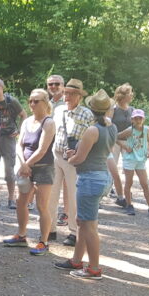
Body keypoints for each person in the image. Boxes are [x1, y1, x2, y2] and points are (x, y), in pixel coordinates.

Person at [54, 90, 116, 280]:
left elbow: (79, 159)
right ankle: (76, 260)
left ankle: (94, 268)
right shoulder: (111, 127)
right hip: (102, 176)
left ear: (91, 109)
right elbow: (97, 152)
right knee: (82, 221)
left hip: (90, 179)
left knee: (89, 226)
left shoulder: (92, 130)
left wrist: (69, 157)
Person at [4, 88, 56, 255]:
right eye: (30, 101)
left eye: (36, 101)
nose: (32, 104)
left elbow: (42, 149)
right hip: (25, 168)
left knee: (42, 205)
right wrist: (23, 165)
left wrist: (26, 164)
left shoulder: (48, 123)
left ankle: (44, 241)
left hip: (44, 168)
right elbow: (19, 145)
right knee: (21, 201)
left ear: (45, 103)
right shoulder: (27, 122)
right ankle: (21, 235)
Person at [48, 78, 93, 247]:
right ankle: (50, 228)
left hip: (73, 160)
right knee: (51, 193)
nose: (67, 96)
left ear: (79, 96)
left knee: (74, 195)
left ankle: (74, 231)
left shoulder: (86, 114)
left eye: (72, 94)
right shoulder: (58, 110)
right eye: (66, 93)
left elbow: (92, 137)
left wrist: (79, 151)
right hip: (56, 154)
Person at [0, 78, 26, 209]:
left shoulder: (11, 101)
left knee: (9, 170)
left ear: (2, 88)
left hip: (8, 138)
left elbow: (23, 115)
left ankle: (11, 198)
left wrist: (19, 130)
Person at [117, 108, 149, 218]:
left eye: (140, 118)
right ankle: (129, 205)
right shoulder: (129, 130)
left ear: (144, 119)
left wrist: (148, 151)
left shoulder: (146, 129)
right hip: (130, 159)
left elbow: (148, 141)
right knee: (129, 183)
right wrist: (125, 146)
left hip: (141, 160)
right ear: (132, 120)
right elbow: (115, 137)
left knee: (145, 183)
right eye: (136, 118)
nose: (138, 120)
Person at [109, 83, 134, 208]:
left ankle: (127, 191)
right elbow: (109, 127)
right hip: (114, 142)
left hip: (128, 142)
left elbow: (136, 127)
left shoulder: (132, 110)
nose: (132, 95)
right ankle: (110, 188)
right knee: (112, 167)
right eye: (129, 93)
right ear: (122, 96)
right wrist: (118, 141)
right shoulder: (113, 109)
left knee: (128, 167)